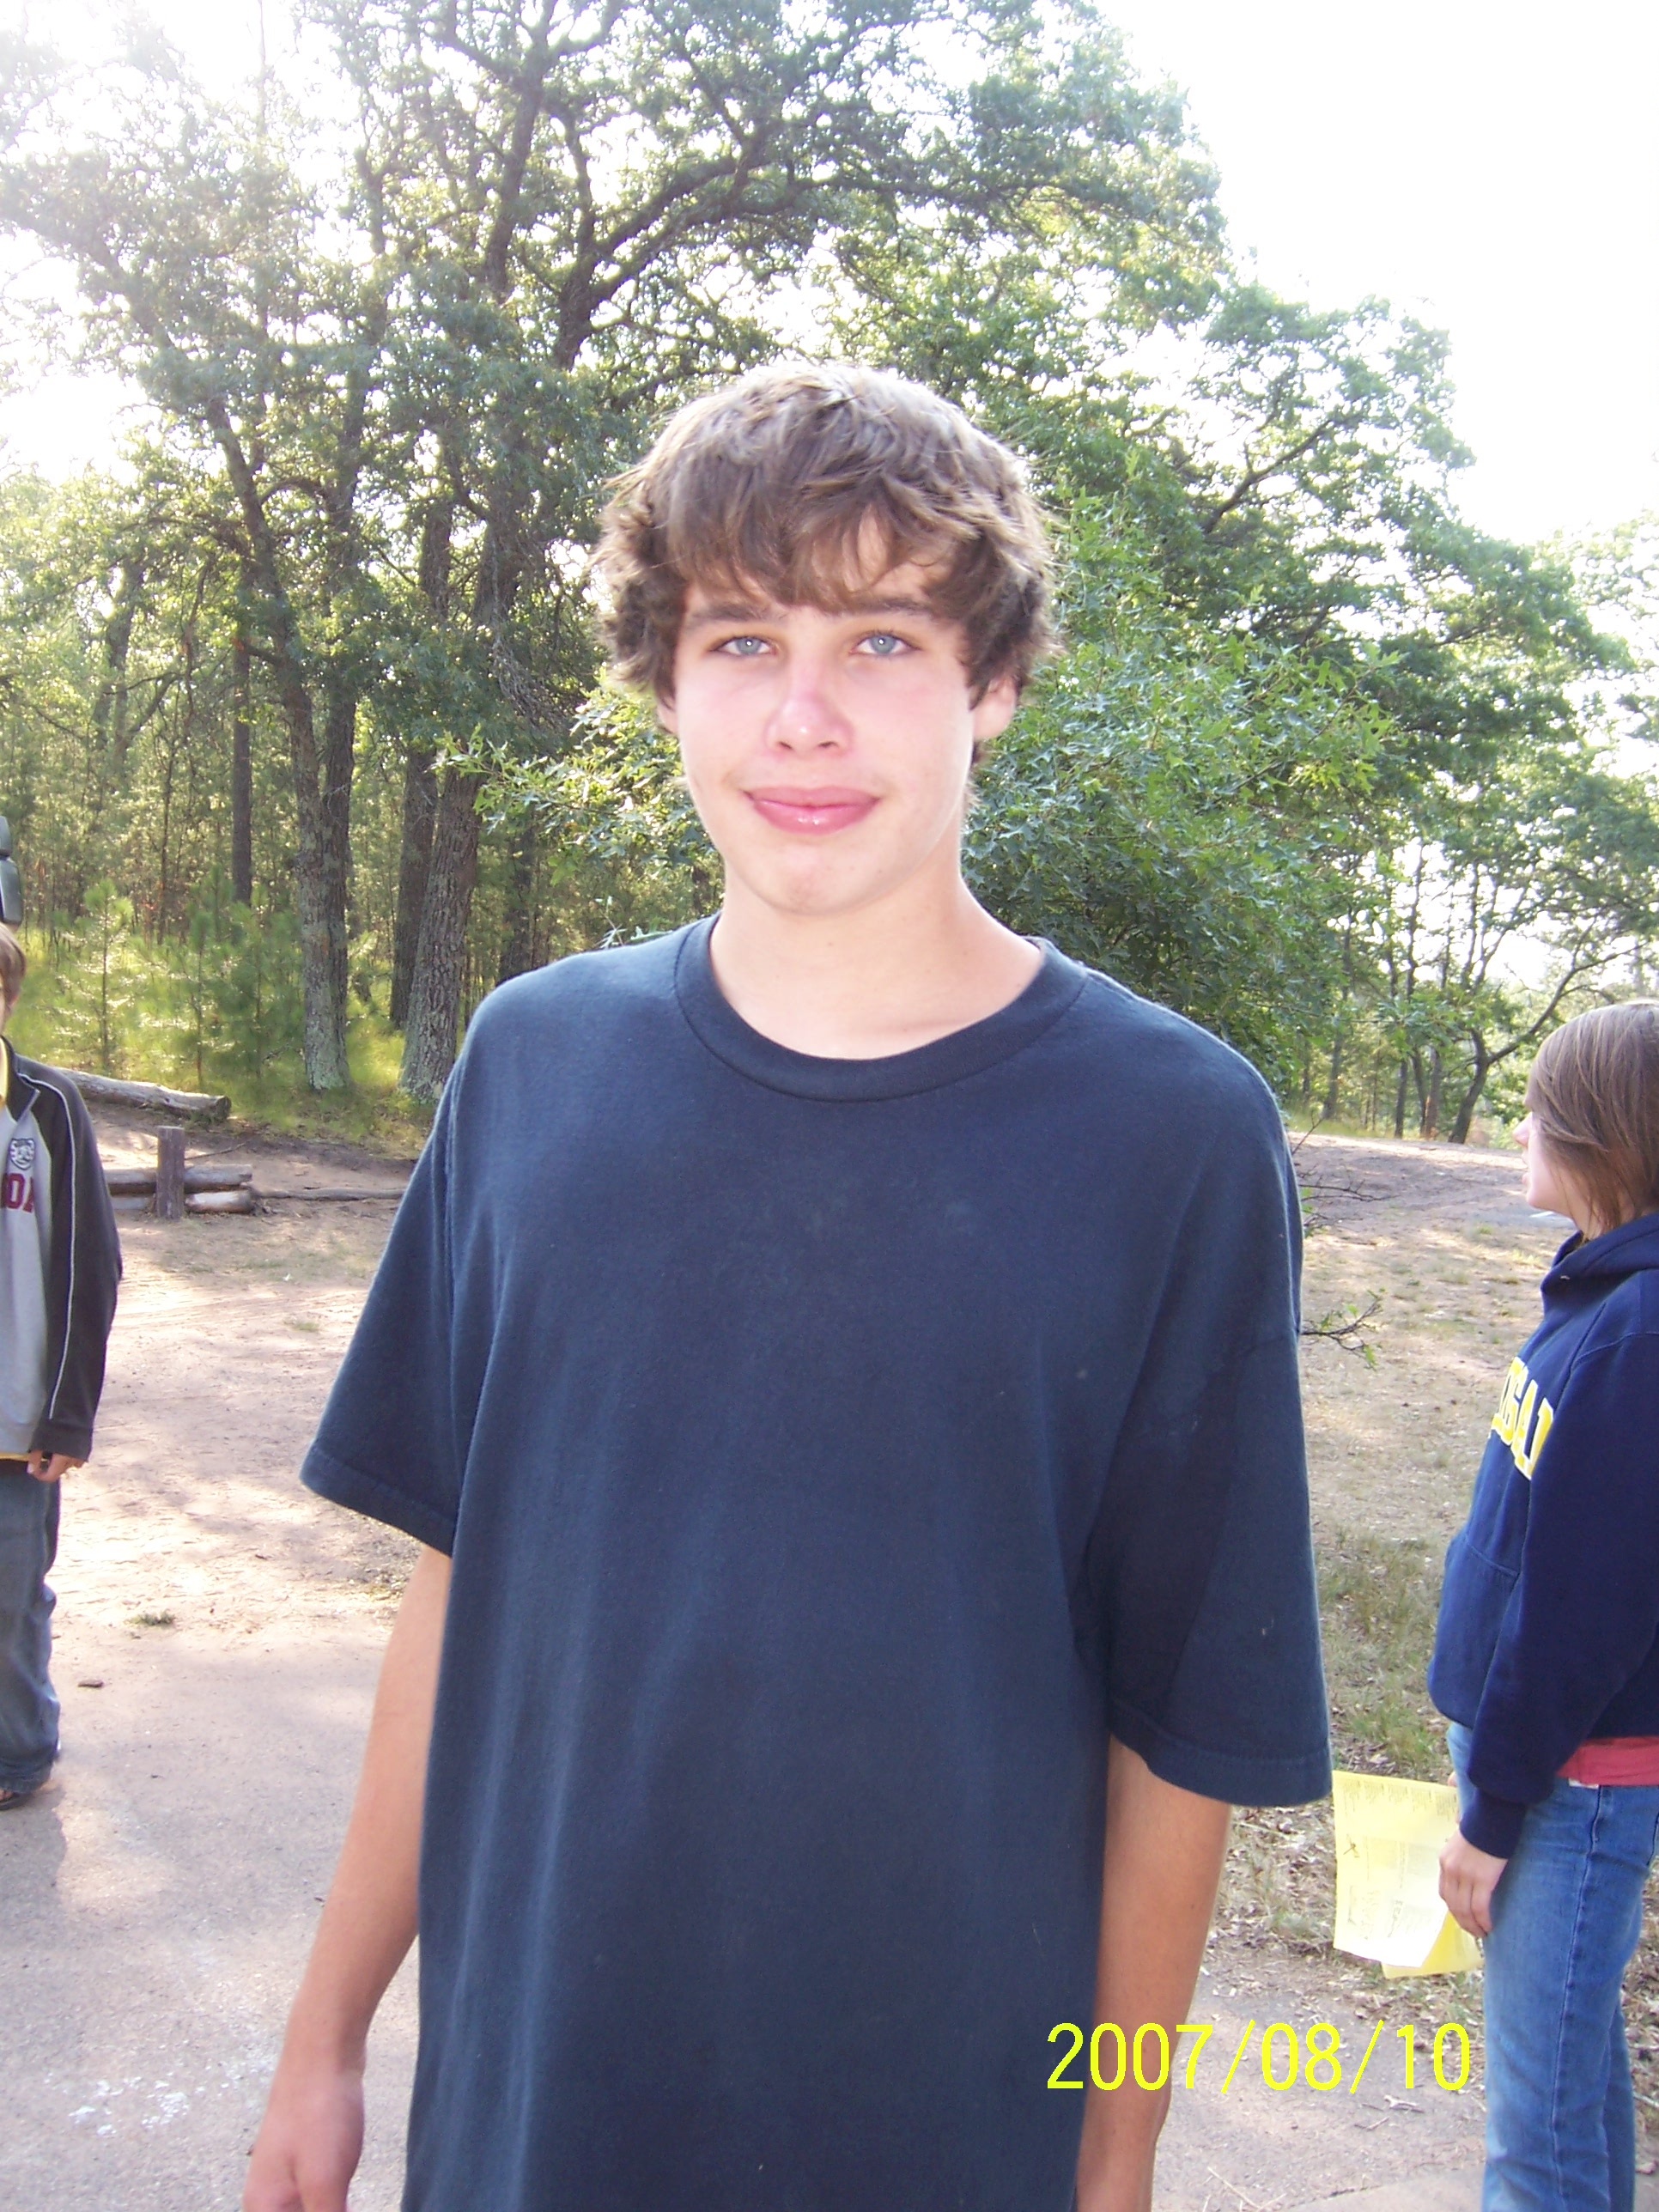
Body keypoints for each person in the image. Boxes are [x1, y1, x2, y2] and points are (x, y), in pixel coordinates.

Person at [245, 363, 1330, 2212]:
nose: (805, 716)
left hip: (940, 2134)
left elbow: (1181, 1734)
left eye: (884, 640)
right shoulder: (533, 1064)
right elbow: (457, 1585)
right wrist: (327, 2032)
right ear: (665, 681)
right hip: (530, 2110)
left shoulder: (1175, 1133)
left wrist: (1116, 2156)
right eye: (742, 638)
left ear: (994, 681)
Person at [1432, 1001, 1659, 2212]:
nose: (1520, 1127)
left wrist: (1494, 1809)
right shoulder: (1603, 1294)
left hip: (1568, 1787)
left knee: (1535, 2142)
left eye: (1537, 1106)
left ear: (1603, 1134)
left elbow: (1587, 1611)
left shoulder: (1639, 1333)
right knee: (1571, 2092)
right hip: (1546, 1775)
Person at [0, 920, 122, 1808]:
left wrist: (68, 1415)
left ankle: (18, 1753)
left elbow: (90, 1264)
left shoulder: (45, 1108)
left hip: (14, 1420)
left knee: (8, 1595)